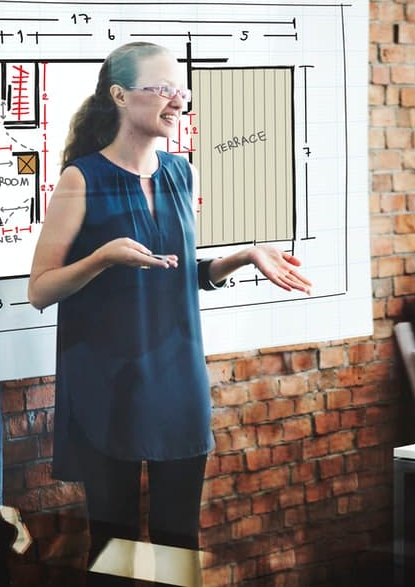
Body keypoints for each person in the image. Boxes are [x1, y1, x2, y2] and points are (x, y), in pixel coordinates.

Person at [27, 42, 312, 565]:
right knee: (114, 552)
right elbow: (40, 290)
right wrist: (101, 259)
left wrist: (245, 255)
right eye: (162, 88)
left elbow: (179, 272)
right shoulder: (80, 179)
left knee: (179, 545)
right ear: (119, 96)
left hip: (178, 381)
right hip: (108, 387)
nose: (178, 99)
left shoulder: (182, 173)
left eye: (179, 89)